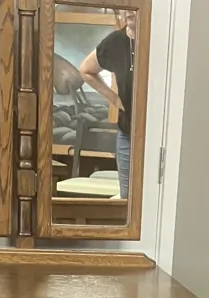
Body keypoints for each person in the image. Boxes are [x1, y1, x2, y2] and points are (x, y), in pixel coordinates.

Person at [78, 10, 136, 200]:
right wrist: (114, 98)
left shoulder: (158, 38)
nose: (128, 10)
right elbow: (86, 70)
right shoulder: (116, 42)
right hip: (127, 133)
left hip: (156, 136)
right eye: (123, 5)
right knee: (127, 198)